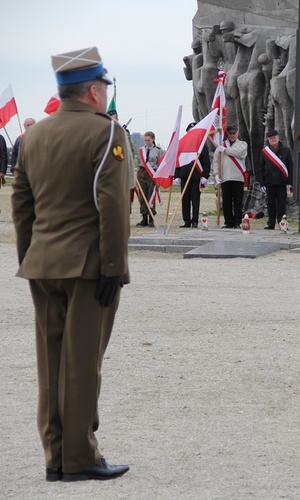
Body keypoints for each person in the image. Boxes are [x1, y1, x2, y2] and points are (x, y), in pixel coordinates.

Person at [11, 46, 131, 482]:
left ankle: (55, 456)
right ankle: (79, 459)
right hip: (89, 267)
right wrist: (114, 266)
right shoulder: (106, 133)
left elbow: (21, 205)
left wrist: (29, 256)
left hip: (42, 263)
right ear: (95, 91)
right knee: (82, 366)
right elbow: (112, 204)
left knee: (51, 361)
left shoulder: (34, 136)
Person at [213, 124, 249, 228]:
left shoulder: (242, 144)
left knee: (238, 201)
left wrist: (224, 150)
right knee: (226, 201)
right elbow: (216, 161)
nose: (232, 135)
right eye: (230, 133)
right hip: (225, 177)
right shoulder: (221, 145)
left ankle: (237, 222)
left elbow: (239, 153)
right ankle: (228, 222)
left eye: (234, 133)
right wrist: (216, 174)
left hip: (238, 176)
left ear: (237, 133)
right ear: (227, 134)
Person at [258, 129, 293, 230]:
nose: (273, 140)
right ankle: (271, 223)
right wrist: (262, 183)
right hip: (269, 181)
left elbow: (291, 167)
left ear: (278, 138)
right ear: (268, 140)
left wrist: (290, 182)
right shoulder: (265, 152)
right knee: (270, 203)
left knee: (282, 203)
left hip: (282, 182)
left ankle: (282, 223)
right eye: (271, 138)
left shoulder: (286, 150)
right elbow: (261, 168)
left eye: (275, 138)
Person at [177, 122, 211, 228]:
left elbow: (206, 162)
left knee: (195, 199)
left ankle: (195, 220)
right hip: (184, 176)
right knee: (185, 199)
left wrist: (205, 176)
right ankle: (186, 220)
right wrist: (177, 175)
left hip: (196, 176)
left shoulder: (201, 146)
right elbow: (178, 160)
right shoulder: (183, 144)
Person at [135, 131, 162, 227]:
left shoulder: (158, 150)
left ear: (153, 139)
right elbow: (139, 164)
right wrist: (137, 177)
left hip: (152, 173)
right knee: (142, 196)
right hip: (142, 173)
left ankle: (151, 218)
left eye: (149, 140)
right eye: (145, 140)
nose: (147, 142)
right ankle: (144, 218)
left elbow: (160, 165)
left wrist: (159, 179)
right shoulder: (141, 150)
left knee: (151, 196)